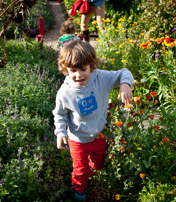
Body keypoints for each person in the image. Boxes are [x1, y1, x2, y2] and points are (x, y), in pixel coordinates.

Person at [52, 40, 134, 201]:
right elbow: (60, 114)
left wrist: (125, 84)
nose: (78, 75)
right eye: (73, 70)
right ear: (65, 69)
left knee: (99, 165)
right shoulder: (64, 92)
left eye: (83, 69)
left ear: (91, 66)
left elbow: (124, 72)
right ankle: (79, 193)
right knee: (80, 171)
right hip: (78, 139)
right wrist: (60, 132)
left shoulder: (101, 78)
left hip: (99, 135)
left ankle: (93, 175)